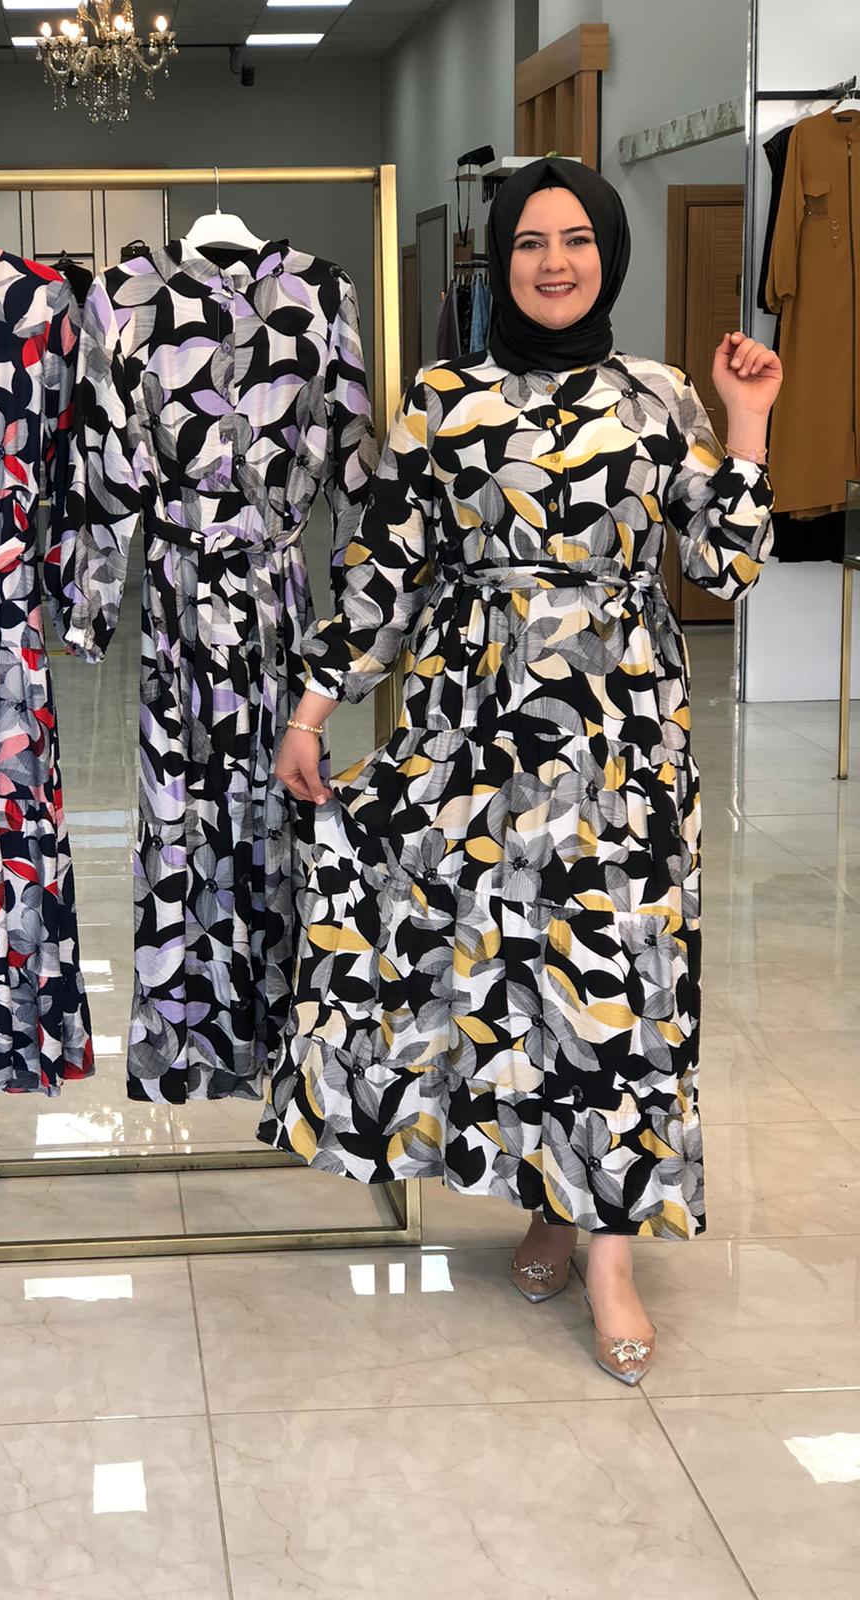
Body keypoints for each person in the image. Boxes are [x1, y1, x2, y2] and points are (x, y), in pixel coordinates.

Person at [261, 158, 782, 1386]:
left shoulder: (658, 397)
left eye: (577, 239)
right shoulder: (445, 399)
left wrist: (747, 419)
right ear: (500, 263)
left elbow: (727, 562)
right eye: (532, 242)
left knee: (618, 975)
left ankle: (611, 1255)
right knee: (505, 972)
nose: (555, 261)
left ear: (609, 255)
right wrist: (314, 705)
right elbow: (383, 568)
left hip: (620, 739)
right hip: (476, 732)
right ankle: (548, 1201)